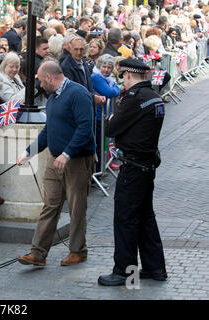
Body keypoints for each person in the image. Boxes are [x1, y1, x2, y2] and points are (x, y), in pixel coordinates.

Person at [16, 60, 95, 267]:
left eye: (41, 81)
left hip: (77, 160)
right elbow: (48, 131)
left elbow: (85, 127)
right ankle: (38, 253)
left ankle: (78, 251)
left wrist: (67, 153)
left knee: (77, 208)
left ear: (50, 78)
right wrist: (28, 152)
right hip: (55, 158)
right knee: (50, 205)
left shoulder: (78, 94)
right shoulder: (52, 98)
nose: (40, 85)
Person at [98, 58, 167, 286]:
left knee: (126, 220)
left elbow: (111, 128)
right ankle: (155, 268)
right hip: (147, 166)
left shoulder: (134, 99)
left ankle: (125, 272)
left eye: (123, 77)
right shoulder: (154, 97)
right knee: (146, 217)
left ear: (128, 75)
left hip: (133, 167)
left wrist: (112, 118)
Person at [91, 54, 121, 173]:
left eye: (109, 67)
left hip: (105, 115)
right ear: (99, 66)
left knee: (106, 142)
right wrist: (116, 88)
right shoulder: (97, 77)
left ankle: (105, 164)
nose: (106, 70)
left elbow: (115, 90)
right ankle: (98, 170)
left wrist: (115, 89)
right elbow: (110, 92)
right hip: (98, 115)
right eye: (104, 66)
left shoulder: (107, 78)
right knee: (100, 144)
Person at [61, 36, 106, 106]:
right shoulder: (66, 66)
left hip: (86, 103)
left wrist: (98, 96)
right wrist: (93, 97)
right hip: (77, 106)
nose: (79, 52)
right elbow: (73, 91)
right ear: (70, 50)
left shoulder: (84, 62)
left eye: (81, 49)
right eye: (76, 49)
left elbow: (89, 87)